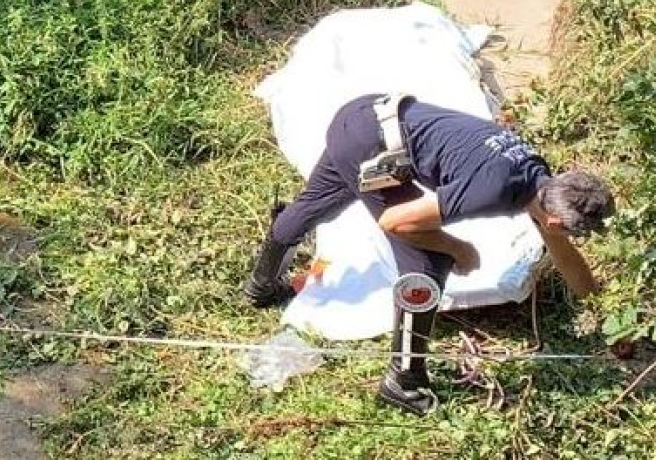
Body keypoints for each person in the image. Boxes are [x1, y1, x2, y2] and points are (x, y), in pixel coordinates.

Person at [241, 93, 614, 416]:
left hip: (363, 116)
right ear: (553, 218)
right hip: (371, 144)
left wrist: (606, 322)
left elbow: (560, 249)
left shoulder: (539, 178)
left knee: (318, 202)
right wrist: (458, 248)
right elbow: (395, 222)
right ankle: (403, 380)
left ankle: (261, 284)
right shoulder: (493, 187)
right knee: (428, 263)